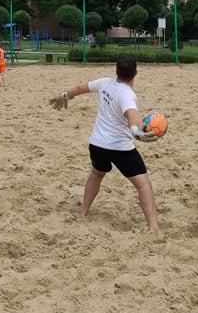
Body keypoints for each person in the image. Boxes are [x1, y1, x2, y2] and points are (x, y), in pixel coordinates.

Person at [48, 56, 161, 234]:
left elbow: (80, 88)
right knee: (143, 185)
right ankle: (154, 227)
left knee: (96, 174)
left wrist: (65, 95)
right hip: (120, 148)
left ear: (116, 71)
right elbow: (131, 115)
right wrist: (135, 131)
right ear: (135, 74)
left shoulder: (104, 83)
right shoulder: (127, 94)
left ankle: (83, 213)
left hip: (97, 145)